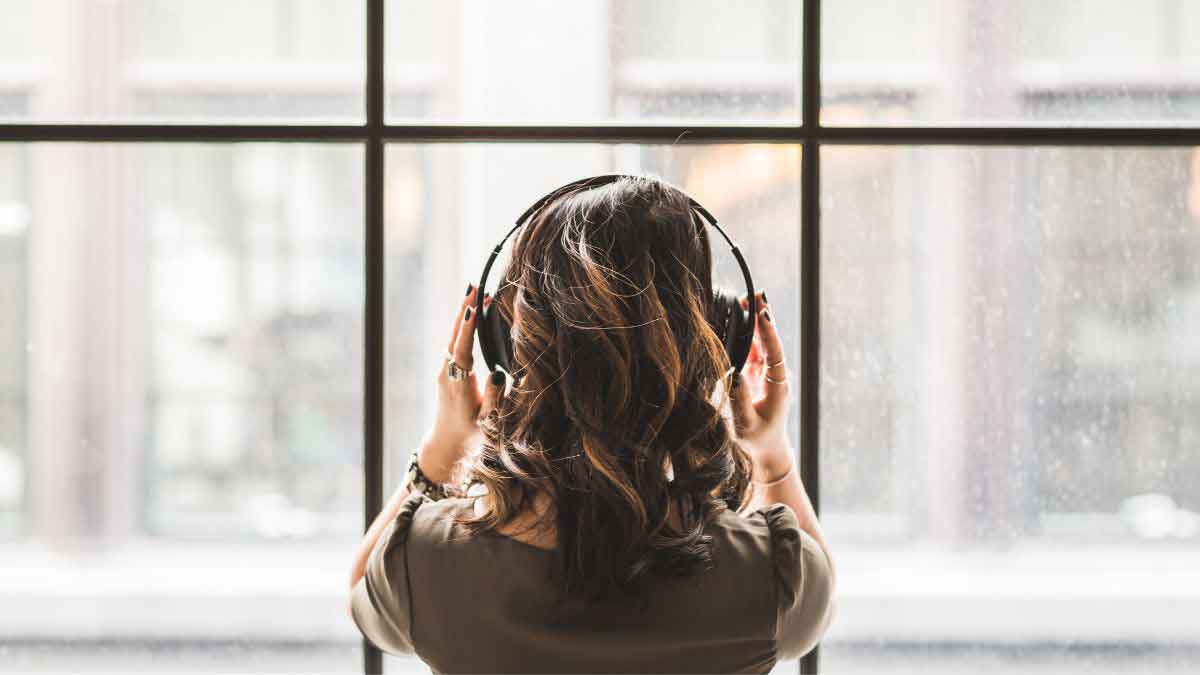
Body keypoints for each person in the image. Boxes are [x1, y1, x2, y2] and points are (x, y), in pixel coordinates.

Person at [348, 175, 836, 673]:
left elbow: (364, 594)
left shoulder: (427, 563)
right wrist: (772, 453)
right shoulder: (769, 575)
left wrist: (444, 445)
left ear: (503, 346)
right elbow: (817, 605)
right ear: (718, 339)